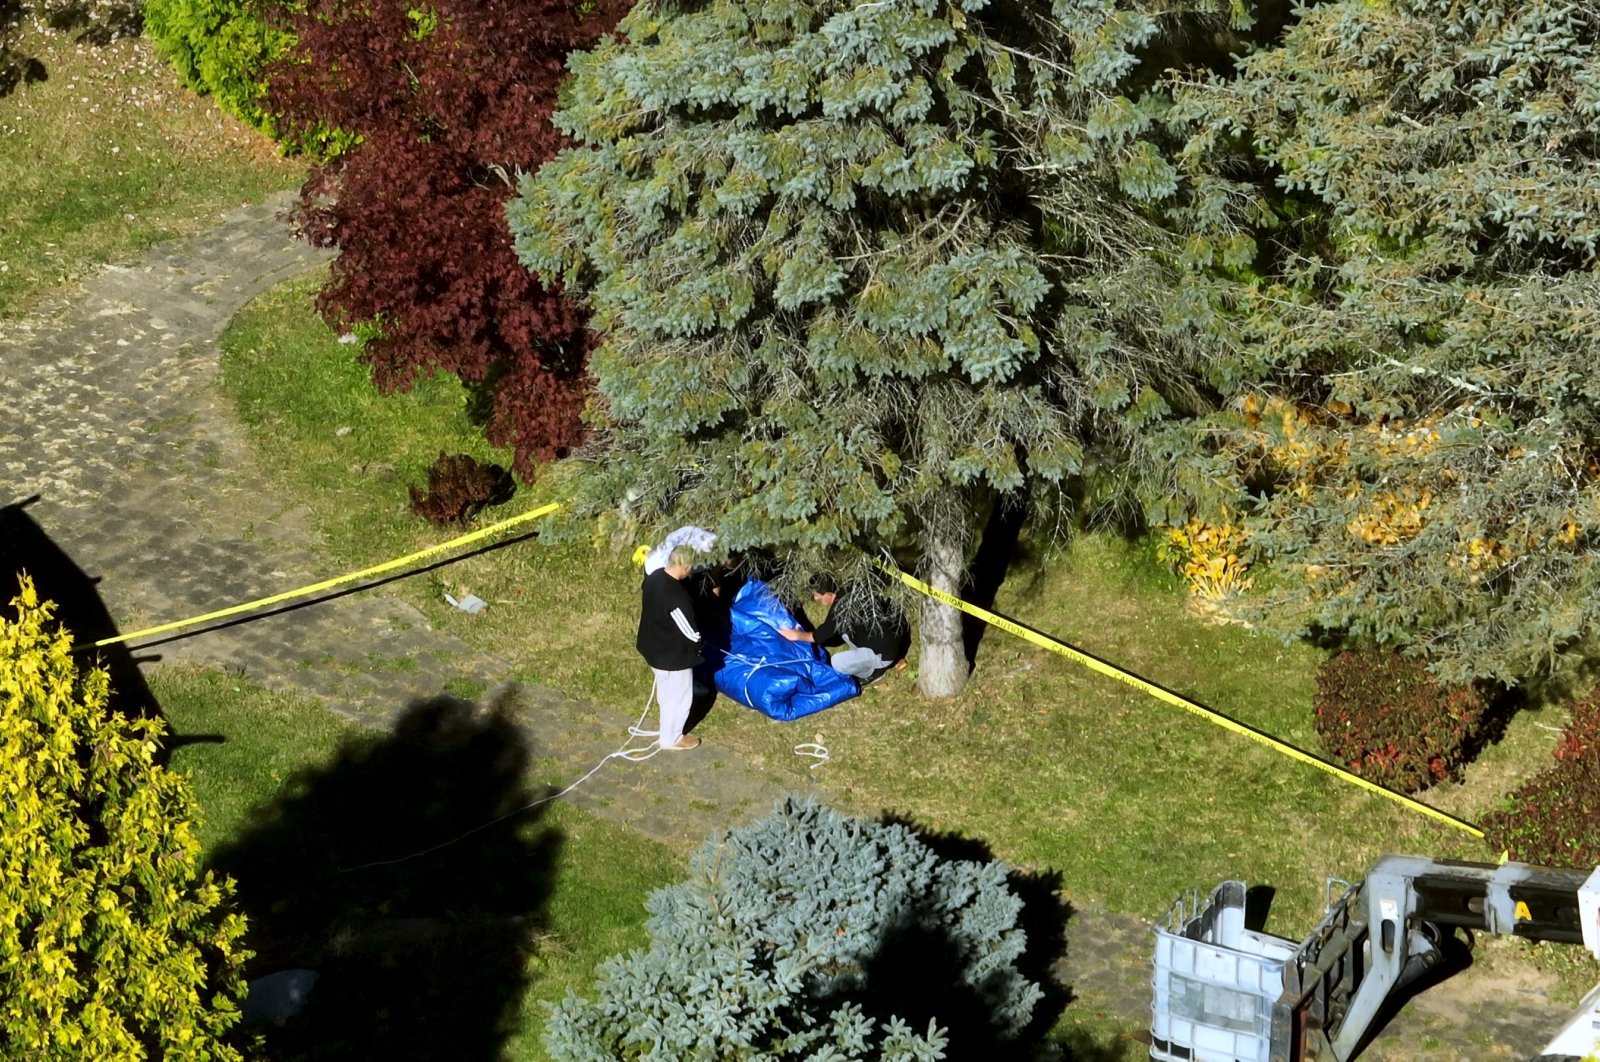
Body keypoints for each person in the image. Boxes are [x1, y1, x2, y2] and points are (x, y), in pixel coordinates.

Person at [778, 574, 910, 685]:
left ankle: (872, 673)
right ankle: (878, 657)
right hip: (889, 640)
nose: (816, 598)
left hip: (883, 655)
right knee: (844, 632)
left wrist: (797, 635)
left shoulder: (840, 609)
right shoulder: (852, 588)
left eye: (818, 595)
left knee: (837, 662)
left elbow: (819, 636)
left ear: (829, 595)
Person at [636, 544, 704, 750]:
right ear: (685, 567)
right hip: (672, 658)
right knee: (681, 698)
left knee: (666, 693)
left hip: (652, 647)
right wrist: (700, 645)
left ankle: (666, 729)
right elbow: (689, 632)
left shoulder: (654, 577)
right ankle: (672, 738)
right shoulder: (676, 597)